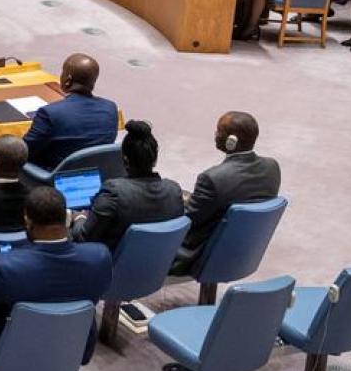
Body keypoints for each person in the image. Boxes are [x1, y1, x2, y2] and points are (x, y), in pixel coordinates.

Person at [0, 187, 112, 371]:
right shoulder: (100, 257)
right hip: (71, 348)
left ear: (27, 221)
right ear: (66, 218)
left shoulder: (4, 266)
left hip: (5, 352)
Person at [173, 111, 280, 273]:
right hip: (245, 250)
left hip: (200, 255)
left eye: (219, 131)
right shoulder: (272, 167)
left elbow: (187, 221)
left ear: (232, 141)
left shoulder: (213, 178)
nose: (216, 135)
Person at [71, 120, 184, 249]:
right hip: (159, 265)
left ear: (125, 160)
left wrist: (79, 217)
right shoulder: (174, 191)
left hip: (109, 265)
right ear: (155, 159)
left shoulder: (113, 193)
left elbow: (83, 238)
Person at [23, 53, 119, 171]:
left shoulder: (50, 113)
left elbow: (25, 151)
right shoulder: (110, 108)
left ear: (68, 80)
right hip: (96, 174)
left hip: (51, 177)